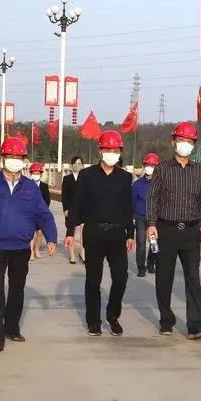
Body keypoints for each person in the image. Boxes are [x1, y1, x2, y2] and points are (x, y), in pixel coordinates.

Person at [0, 137, 57, 352]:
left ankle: (12, 327)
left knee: (17, 289)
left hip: (20, 248)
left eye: (19, 157)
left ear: (24, 160)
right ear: (3, 158)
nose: (15, 160)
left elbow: (43, 214)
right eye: (11, 156)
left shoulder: (30, 188)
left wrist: (51, 238)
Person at [65, 131, 135, 337]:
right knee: (93, 281)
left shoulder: (125, 178)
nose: (112, 153)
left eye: (116, 150)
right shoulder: (87, 176)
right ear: (100, 150)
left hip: (117, 234)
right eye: (108, 149)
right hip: (94, 232)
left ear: (120, 151)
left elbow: (127, 208)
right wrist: (70, 232)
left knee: (121, 277)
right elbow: (76, 205)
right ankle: (93, 321)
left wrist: (130, 234)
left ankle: (113, 315)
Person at [147, 121, 201, 340]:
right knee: (164, 277)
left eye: (190, 141)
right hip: (166, 230)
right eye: (181, 140)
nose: (185, 144)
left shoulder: (199, 171)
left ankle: (196, 325)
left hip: (191, 231)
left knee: (193, 278)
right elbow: (153, 198)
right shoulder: (162, 169)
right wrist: (151, 224)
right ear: (173, 142)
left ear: (194, 144)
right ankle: (166, 320)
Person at [132, 152, 159, 277]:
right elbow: (132, 201)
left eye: (152, 165)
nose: (149, 167)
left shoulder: (160, 184)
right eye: (147, 165)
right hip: (140, 218)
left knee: (154, 243)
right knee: (141, 244)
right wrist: (132, 217)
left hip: (153, 219)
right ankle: (141, 267)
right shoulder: (137, 184)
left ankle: (151, 263)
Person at [62, 156, 85, 264]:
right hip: (71, 209)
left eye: (79, 163)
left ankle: (83, 252)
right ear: (72, 165)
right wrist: (65, 208)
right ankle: (71, 255)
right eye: (75, 163)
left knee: (84, 232)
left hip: (83, 209)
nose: (77, 165)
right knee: (71, 231)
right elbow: (64, 195)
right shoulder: (67, 179)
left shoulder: (86, 178)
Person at [29, 162, 51, 259]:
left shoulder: (44, 186)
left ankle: (36, 250)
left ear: (41, 174)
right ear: (31, 173)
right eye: (34, 173)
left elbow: (47, 200)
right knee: (30, 233)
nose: (36, 175)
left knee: (40, 233)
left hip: (40, 213)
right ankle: (30, 251)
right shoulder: (26, 184)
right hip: (29, 213)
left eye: (37, 173)